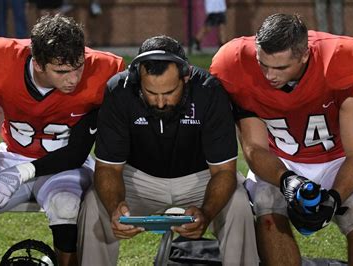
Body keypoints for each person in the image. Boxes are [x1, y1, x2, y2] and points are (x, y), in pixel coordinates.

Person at [0, 14, 124, 266]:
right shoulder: (1, 57)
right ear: (38, 63)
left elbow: (76, 152)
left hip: (66, 163)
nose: (73, 79)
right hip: (12, 154)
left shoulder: (104, 70)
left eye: (79, 67)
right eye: (62, 71)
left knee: (66, 206)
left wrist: (22, 173)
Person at [210, 13, 353, 265]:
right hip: (280, 160)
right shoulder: (234, 63)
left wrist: (333, 198)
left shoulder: (340, 59)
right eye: (263, 64)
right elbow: (255, 148)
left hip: (338, 161)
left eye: (280, 67)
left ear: (304, 55)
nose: (269, 75)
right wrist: (286, 179)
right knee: (266, 205)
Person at [77, 35, 259, 266]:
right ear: (137, 79)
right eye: (151, 93)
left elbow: (224, 171)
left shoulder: (209, 92)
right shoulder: (119, 91)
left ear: (186, 77)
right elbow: (108, 168)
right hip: (137, 177)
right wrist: (115, 208)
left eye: (169, 92)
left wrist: (207, 212)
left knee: (238, 202)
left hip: (201, 177)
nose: (160, 102)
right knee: (95, 203)